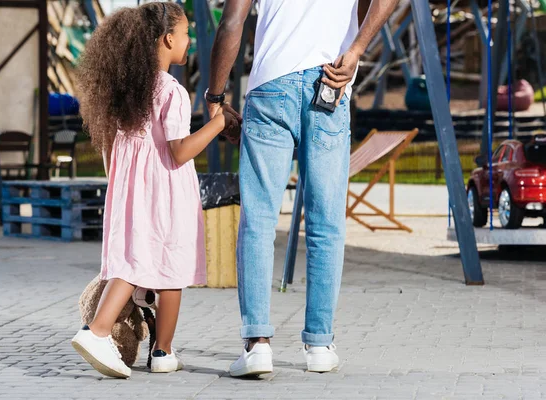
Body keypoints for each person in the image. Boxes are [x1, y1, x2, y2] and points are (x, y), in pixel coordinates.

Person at [206, 0, 398, 376]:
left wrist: (215, 99)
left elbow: (232, 22)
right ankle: (320, 344)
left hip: (271, 86)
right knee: (326, 223)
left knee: (259, 221)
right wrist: (356, 50)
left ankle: (257, 345)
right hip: (329, 83)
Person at [70, 2, 237, 378]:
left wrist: (122, 184)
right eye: (186, 34)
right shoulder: (171, 92)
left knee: (134, 257)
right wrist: (218, 123)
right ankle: (107, 334)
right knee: (167, 269)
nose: (190, 41)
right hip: (165, 192)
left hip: (130, 190)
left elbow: (111, 148)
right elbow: (179, 152)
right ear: (166, 39)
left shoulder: (127, 91)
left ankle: (160, 353)